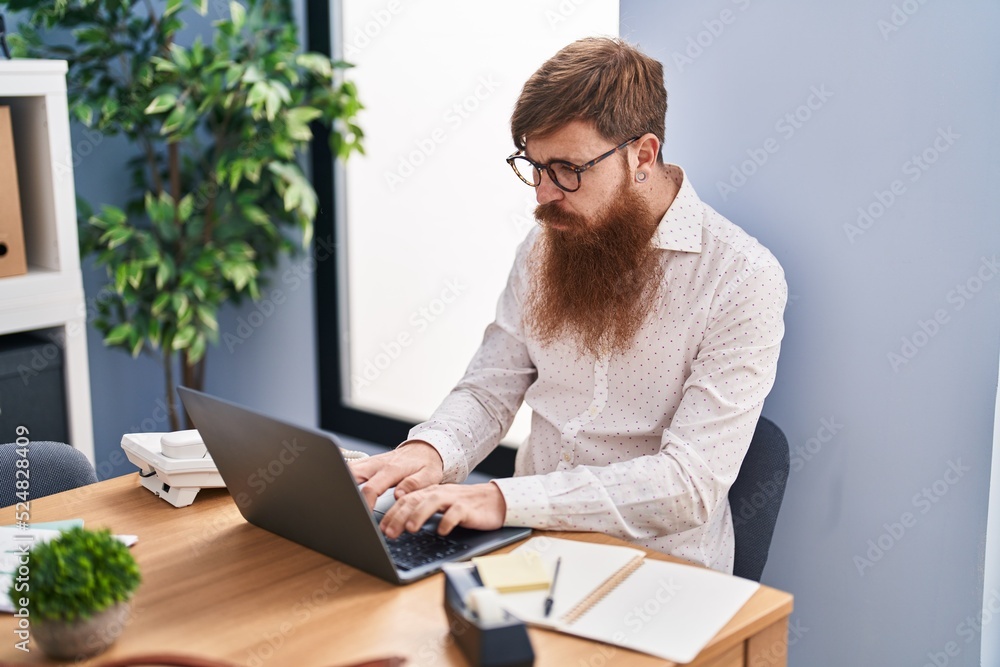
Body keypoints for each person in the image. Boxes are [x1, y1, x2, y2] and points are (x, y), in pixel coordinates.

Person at [350, 37, 786, 573]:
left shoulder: (741, 278)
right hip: (525, 552)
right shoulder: (544, 245)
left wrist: (501, 500)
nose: (543, 194)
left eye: (567, 170)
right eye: (533, 166)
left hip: (658, 574)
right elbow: (491, 388)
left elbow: (687, 484)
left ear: (642, 155)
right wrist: (430, 453)